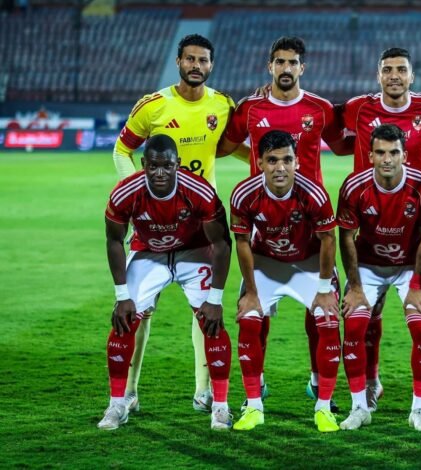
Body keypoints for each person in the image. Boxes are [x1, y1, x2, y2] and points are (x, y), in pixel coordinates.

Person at [111, 34, 239, 414]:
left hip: (201, 221)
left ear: (211, 65)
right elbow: (122, 149)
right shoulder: (153, 105)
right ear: (179, 61)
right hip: (155, 220)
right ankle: (129, 393)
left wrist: (267, 165)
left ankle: (204, 392)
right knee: (139, 310)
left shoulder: (223, 104)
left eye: (203, 60)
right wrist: (138, 194)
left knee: (205, 307)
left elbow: (232, 147)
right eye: (190, 59)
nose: (196, 65)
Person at [219, 36, 349, 410]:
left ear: (302, 67)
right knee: (255, 308)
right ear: (270, 66)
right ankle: (256, 384)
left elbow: (342, 146)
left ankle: (317, 383)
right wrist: (257, 160)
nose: (286, 68)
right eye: (280, 62)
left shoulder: (320, 108)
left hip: (311, 222)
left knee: (321, 310)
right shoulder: (251, 108)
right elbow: (224, 145)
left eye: (293, 62)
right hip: (264, 219)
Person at [98, 134, 233, 431]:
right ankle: (117, 404)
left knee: (211, 321)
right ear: (143, 164)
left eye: (167, 166)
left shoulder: (199, 191)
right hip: (149, 253)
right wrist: (122, 295)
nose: (160, 173)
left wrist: (215, 299)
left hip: (194, 252)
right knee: (124, 319)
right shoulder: (125, 192)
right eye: (153, 166)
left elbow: (222, 244)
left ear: (178, 164)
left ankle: (221, 407)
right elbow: (114, 240)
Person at [341, 47, 421, 413]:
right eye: (388, 70)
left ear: (411, 75)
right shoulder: (357, 108)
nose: (395, 76)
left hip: (416, 224)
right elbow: (330, 131)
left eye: (401, 69)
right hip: (369, 223)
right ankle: (371, 382)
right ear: (378, 75)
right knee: (367, 314)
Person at [229, 131, 342, 433]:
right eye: (272, 160)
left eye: (287, 160)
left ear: (297, 162)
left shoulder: (314, 193)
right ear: (260, 163)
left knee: (328, 319)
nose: (280, 167)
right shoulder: (244, 194)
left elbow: (328, 239)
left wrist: (323, 289)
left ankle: (323, 407)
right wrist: (251, 292)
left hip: (308, 262)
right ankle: (254, 405)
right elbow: (242, 242)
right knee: (249, 318)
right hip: (266, 262)